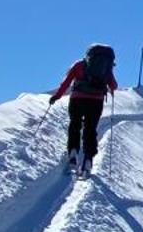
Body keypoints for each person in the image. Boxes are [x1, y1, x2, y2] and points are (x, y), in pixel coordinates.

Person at [50, 43, 117, 174]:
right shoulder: (106, 68)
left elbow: (66, 83)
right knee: (90, 129)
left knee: (75, 124)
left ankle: (73, 152)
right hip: (96, 102)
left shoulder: (79, 65)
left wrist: (56, 97)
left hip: (77, 99)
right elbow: (114, 85)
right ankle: (88, 159)